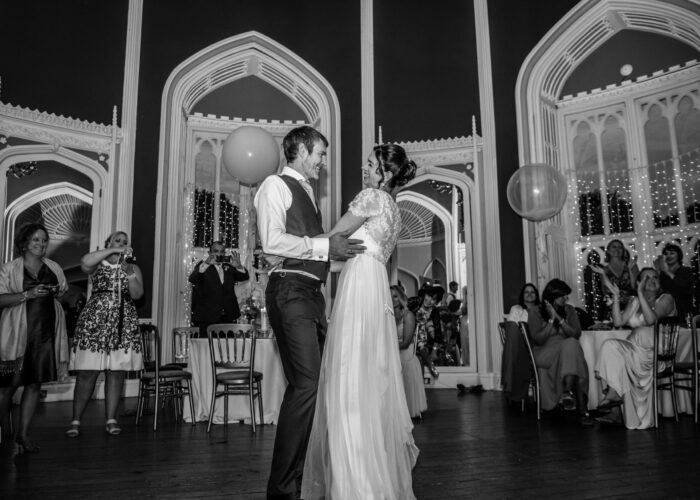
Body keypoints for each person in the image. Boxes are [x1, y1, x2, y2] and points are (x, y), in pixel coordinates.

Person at [302, 143, 419, 499]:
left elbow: (333, 238)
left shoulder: (371, 196)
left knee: (350, 375)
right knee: (368, 375)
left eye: (370, 165)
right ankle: (368, 474)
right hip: (374, 286)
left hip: (359, 289)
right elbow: (353, 254)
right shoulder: (394, 209)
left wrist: (290, 247)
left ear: (384, 172)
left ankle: (355, 483)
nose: (364, 170)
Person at [254, 125, 365, 500]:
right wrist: (323, 245)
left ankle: (296, 481)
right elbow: (271, 242)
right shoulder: (275, 185)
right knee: (307, 385)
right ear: (300, 149)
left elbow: (315, 255)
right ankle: (282, 489)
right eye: (319, 153)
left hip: (310, 296)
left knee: (315, 389)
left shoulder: (308, 193)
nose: (322, 161)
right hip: (289, 292)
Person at [66, 231, 144, 437]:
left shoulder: (132, 267)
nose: (122, 244)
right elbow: (84, 263)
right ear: (108, 243)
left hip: (122, 320)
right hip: (95, 321)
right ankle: (76, 420)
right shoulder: (98, 262)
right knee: (87, 371)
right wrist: (114, 250)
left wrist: (129, 273)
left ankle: (111, 419)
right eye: (118, 240)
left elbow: (137, 294)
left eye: (125, 242)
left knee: (116, 371)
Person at [0, 223, 68, 453]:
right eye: (36, 240)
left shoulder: (54, 267)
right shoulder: (9, 269)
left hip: (45, 334)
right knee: (8, 386)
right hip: (16, 334)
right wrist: (26, 295)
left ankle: (23, 434)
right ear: (24, 243)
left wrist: (54, 293)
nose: (41, 244)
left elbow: (62, 291)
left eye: (44, 240)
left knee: (34, 384)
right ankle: (3, 432)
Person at [595, 268, 676, 428]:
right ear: (640, 282)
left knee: (638, 333)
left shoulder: (666, 299)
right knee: (609, 345)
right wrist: (617, 297)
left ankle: (613, 395)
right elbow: (618, 323)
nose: (651, 280)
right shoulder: (635, 301)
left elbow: (651, 320)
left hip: (656, 356)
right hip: (636, 354)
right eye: (646, 278)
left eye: (655, 277)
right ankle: (614, 394)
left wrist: (639, 293)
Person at [527, 278, 591, 425]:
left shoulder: (570, 310)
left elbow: (576, 334)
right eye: (562, 296)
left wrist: (560, 320)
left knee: (571, 345)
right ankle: (580, 404)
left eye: (566, 296)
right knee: (574, 352)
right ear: (553, 295)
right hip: (544, 352)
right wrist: (551, 321)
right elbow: (538, 339)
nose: (565, 299)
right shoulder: (535, 311)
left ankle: (566, 392)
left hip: (566, 350)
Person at [188, 241, 249, 337]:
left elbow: (244, 277)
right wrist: (207, 263)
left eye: (222, 251)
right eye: (216, 251)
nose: (219, 254)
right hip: (208, 317)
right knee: (208, 349)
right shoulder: (203, 266)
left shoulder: (229, 267)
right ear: (210, 253)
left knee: (227, 349)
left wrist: (239, 266)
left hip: (228, 316)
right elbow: (193, 279)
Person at [392, 284, 427, 419]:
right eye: (390, 296)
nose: (393, 299)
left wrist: (387, 347)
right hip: (392, 356)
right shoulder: (386, 315)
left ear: (401, 297)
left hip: (405, 357)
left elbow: (406, 343)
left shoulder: (408, 315)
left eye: (395, 296)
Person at [501, 283, 540, 403]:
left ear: (536, 295)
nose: (529, 294)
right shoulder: (516, 309)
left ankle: (508, 379)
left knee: (515, 327)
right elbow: (513, 331)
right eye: (526, 292)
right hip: (519, 343)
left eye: (532, 292)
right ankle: (509, 377)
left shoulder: (541, 309)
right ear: (522, 295)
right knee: (512, 327)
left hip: (535, 343)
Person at [589, 239, 639, 319]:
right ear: (608, 251)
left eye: (620, 247)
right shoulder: (604, 270)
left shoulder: (631, 265)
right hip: (613, 307)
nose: (617, 249)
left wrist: (630, 270)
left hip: (632, 306)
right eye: (614, 247)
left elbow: (635, 287)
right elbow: (605, 291)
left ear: (623, 251)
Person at [654, 243, 695, 321]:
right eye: (666, 254)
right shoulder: (663, 274)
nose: (668, 256)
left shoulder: (686, 270)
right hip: (669, 314)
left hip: (685, 313)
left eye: (672, 253)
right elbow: (660, 292)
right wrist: (658, 272)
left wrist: (667, 271)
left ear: (679, 255)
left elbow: (683, 288)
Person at [413, 285, 444, 377]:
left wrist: (434, 350)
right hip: (408, 334)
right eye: (428, 296)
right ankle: (429, 362)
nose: (429, 300)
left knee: (420, 361)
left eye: (433, 299)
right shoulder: (415, 302)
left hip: (423, 339)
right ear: (425, 294)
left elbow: (438, 332)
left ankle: (419, 387)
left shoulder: (434, 312)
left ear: (436, 302)